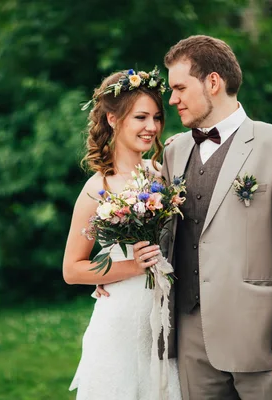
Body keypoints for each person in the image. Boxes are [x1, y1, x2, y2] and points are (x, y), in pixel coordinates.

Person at [135, 35, 272, 399]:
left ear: (213, 83)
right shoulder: (175, 150)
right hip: (189, 335)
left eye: (180, 88)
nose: (172, 100)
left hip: (259, 336)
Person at [63, 68, 182, 399]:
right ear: (113, 119)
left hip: (164, 320)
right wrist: (130, 267)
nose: (152, 127)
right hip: (120, 323)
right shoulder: (97, 188)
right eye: (140, 117)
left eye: (157, 117)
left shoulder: (163, 175)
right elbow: (72, 269)